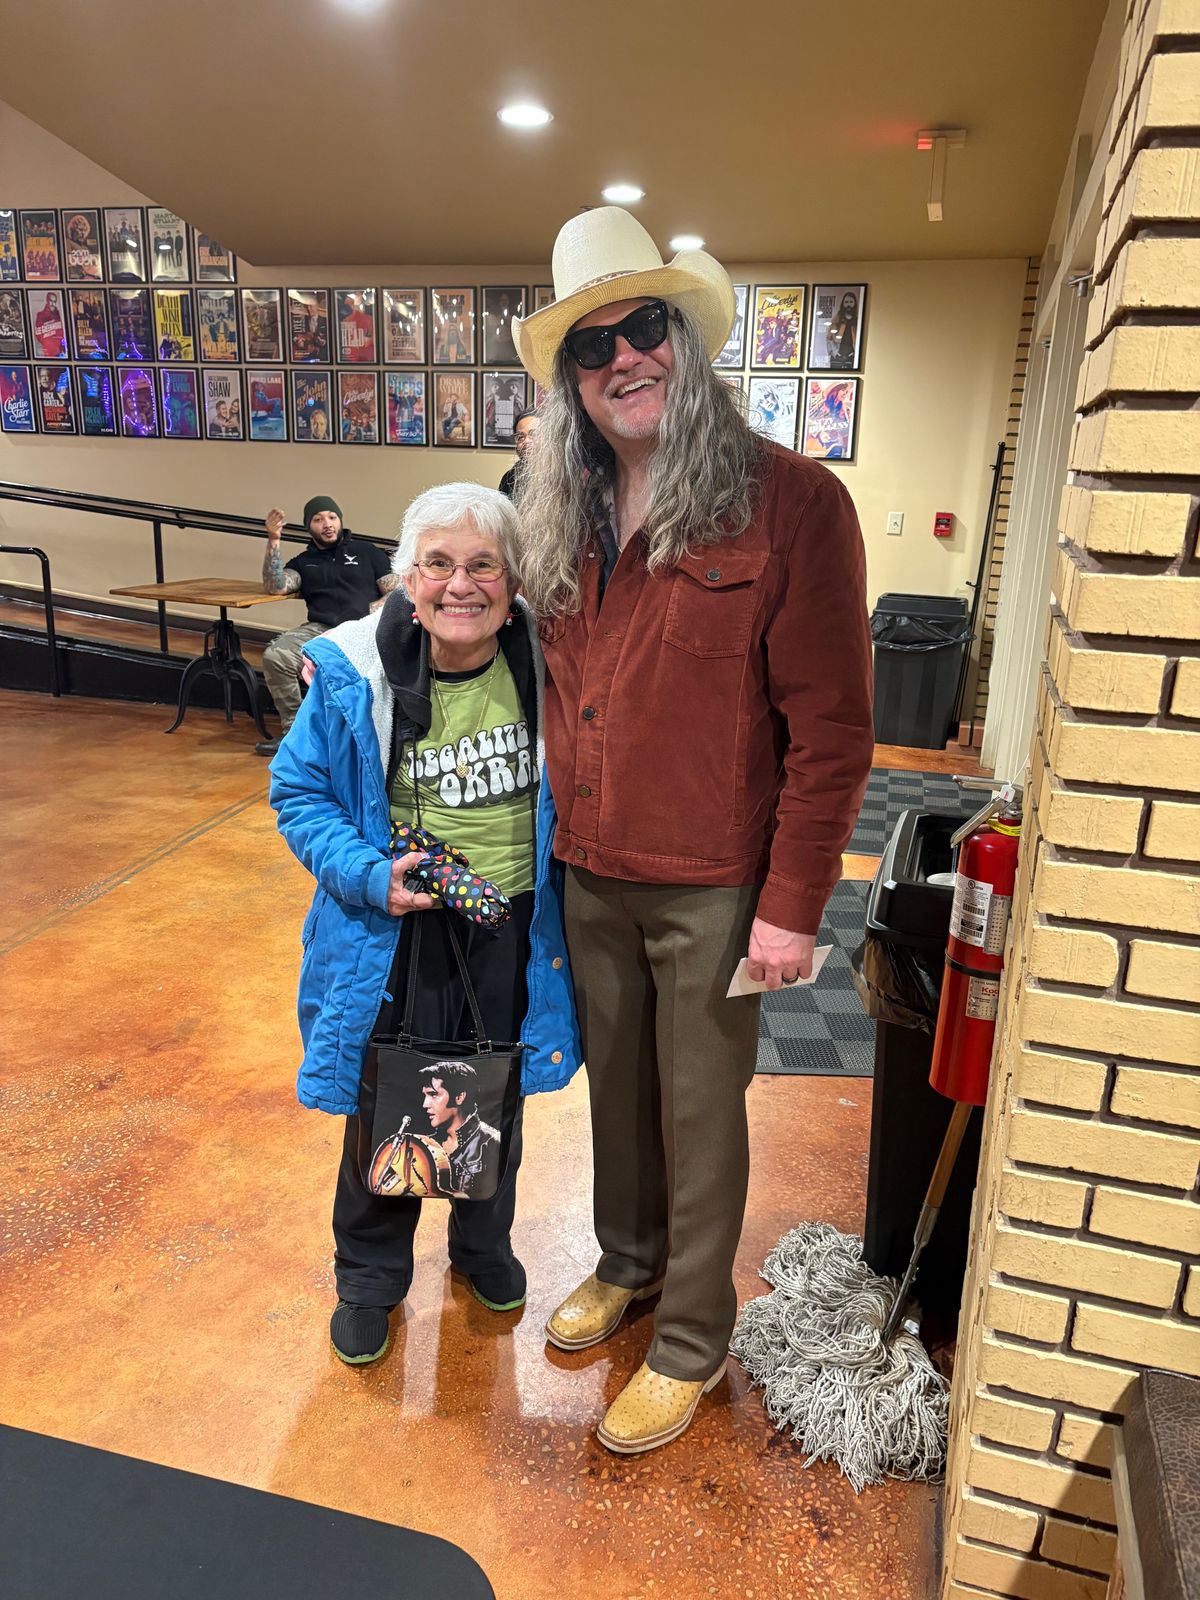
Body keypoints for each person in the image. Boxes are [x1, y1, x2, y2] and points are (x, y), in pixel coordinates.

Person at [512, 207, 874, 1455]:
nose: (624, 357)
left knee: (702, 1111)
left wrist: (791, 906)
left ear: (686, 336)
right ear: (572, 378)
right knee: (619, 1091)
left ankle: (692, 1337)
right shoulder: (560, 508)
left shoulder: (793, 503)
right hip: (589, 865)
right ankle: (629, 1259)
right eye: (592, 343)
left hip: (716, 882)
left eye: (645, 326)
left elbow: (833, 731)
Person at [269, 482, 580, 1365]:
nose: (460, 584)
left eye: (484, 565)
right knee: (386, 1098)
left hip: (512, 926)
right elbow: (299, 794)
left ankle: (481, 1246)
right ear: (406, 578)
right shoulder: (351, 671)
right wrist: (370, 876)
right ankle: (369, 1276)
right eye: (438, 563)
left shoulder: (552, 663)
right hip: (394, 929)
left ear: (514, 580)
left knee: (494, 1092)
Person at [258, 495, 397, 758]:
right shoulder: (303, 562)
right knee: (276, 656)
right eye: (318, 519)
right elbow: (276, 586)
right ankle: (295, 734)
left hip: (363, 628)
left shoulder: (367, 552)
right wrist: (274, 538)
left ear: (340, 520)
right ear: (308, 526)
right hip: (320, 629)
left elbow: (398, 590)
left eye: (332, 517)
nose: (327, 524)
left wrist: (375, 608)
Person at [498, 406, 539, 499]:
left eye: (533, 434)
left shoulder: (562, 474)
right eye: (520, 437)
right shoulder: (509, 478)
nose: (526, 441)